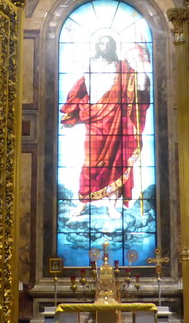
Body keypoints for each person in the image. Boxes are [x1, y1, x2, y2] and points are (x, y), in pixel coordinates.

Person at [60, 34, 151, 220]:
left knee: (116, 163)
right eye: (102, 42)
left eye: (108, 43)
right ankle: (83, 201)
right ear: (97, 45)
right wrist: (71, 116)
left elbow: (140, 88)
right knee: (90, 162)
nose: (105, 46)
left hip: (116, 121)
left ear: (113, 46)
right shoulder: (89, 65)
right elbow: (78, 91)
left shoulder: (122, 67)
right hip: (95, 120)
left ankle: (112, 205)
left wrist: (142, 67)